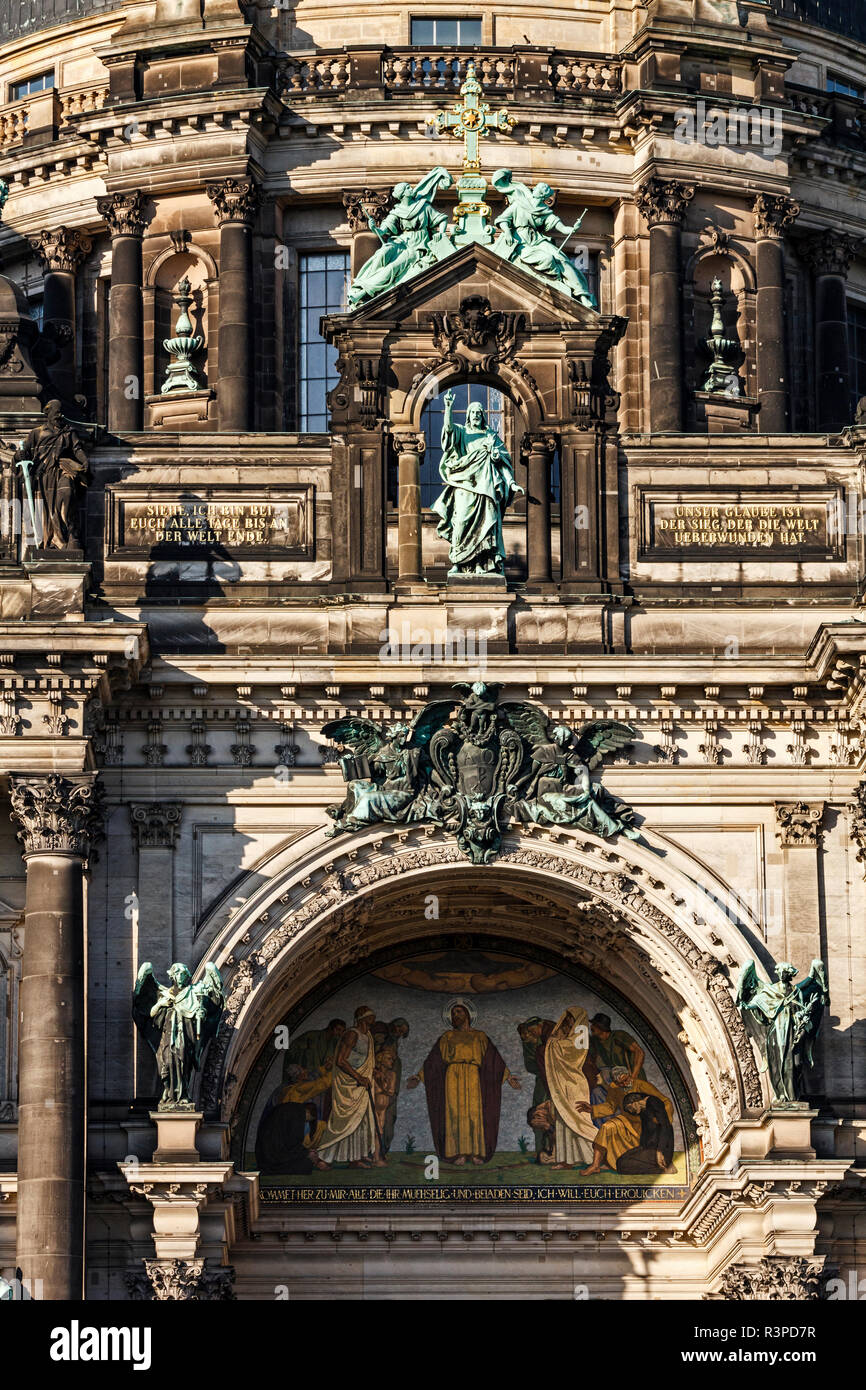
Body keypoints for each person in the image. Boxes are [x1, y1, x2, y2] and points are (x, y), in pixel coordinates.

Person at [406, 999, 521, 1165]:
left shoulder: (480, 1036)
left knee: (475, 1113)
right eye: (453, 1013)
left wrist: (508, 1076)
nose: (455, 1015)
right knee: (454, 1114)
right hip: (452, 1076)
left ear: (467, 1014)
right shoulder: (447, 1036)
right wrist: (419, 1076)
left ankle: (475, 1153)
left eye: (459, 1012)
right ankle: (457, 1153)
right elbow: (434, 1061)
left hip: (473, 1075)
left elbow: (492, 1059)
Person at [430, 391, 523, 576]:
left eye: (479, 412)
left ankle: (483, 563)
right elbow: (448, 432)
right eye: (473, 412)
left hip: (487, 487)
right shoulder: (462, 432)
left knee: (487, 525)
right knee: (461, 521)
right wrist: (448, 407)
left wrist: (511, 483)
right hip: (465, 484)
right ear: (468, 416)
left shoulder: (491, 437)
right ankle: (458, 561)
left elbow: (502, 464)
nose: (477, 415)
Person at [347, 167, 454, 307]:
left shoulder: (423, 206)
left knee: (393, 267)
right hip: (402, 242)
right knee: (381, 254)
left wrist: (440, 234)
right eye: (408, 188)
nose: (412, 189)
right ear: (403, 194)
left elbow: (441, 219)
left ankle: (364, 293)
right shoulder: (396, 212)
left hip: (418, 247)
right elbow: (383, 231)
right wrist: (374, 227)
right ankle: (361, 284)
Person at [491, 170, 595, 306]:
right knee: (549, 259)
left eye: (540, 189)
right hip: (520, 242)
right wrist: (508, 232)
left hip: (537, 241)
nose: (535, 190)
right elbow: (502, 219)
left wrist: (573, 228)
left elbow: (563, 229)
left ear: (541, 195)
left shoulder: (546, 212)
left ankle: (583, 296)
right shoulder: (519, 204)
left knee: (564, 261)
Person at [14, 399, 90, 549]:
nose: (59, 415)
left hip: (63, 469)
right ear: (48, 413)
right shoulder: (37, 433)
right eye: (56, 412)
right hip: (43, 475)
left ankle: (69, 531)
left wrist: (84, 460)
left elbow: (77, 449)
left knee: (67, 493)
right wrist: (19, 455)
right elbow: (24, 452)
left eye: (60, 413)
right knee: (46, 510)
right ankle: (52, 539)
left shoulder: (68, 431)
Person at [316, 1005, 385, 1168]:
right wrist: (359, 1077)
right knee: (342, 1120)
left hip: (362, 1082)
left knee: (361, 1121)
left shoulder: (368, 1035)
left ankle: (355, 1158)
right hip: (349, 1082)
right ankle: (324, 1158)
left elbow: (363, 1060)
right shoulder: (352, 1034)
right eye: (370, 1014)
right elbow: (340, 1061)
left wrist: (373, 1071)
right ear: (362, 1017)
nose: (373, 1017)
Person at [581, 1068, 674, 1176]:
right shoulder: (614, 1088)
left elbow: (665, 1101)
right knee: (606, 1127)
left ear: (629, 1075)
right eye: (620, 1083)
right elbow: (610, 1106)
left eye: (626, 1080)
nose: (625, 1084)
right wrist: (593, 1109)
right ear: (615, 1083)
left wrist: (661, 1119)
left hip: (645, 1124)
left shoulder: (642, 1085)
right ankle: (595, 1165)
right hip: (626, 1121)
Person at [542, 1006, 597, 1169]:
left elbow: (572, 1051)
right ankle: (566, 1161)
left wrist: (554, 1042)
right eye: (566, 1020)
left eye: (571, 1019)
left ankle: (592, 1157)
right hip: (563, 1083)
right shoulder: (567, 1036)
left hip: (574, 1084)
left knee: (578, 1119)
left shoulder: (581, 1032)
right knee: (563, 1119)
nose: (568, 1023)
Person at [518, 1016, 556, 1159]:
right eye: (525, 1034)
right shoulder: (529, 1043)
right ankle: (541, 1149)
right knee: (537, 1114)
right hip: (542, 1080)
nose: (527, 1035)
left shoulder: (550, 1034)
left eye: (529, 1031)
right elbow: (530, 1065)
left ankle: (557, 1149)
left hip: (557, 1080)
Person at [616, 1092, 676, 1175]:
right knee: (620, 1161)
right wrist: (640, 1149)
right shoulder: (643, 1110)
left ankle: (664, 1169)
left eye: (630, 1107)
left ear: (635, 1102)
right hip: (649, 1148)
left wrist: (660, 1151)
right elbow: (646, 1133)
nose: (630, 1111)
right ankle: (663, 1166)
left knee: (623, 1164)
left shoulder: (654, 1103)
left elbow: (665, 1127)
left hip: (660, 1150)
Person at [587, 1013, 646, 1087]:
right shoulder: (596, 1041)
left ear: (601, 1027)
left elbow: (639, 1052)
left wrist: (633, 1076)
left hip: (633, 1076)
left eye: (594, 1025)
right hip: (618, 1078)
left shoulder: (618, 1036)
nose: (591, 1027)